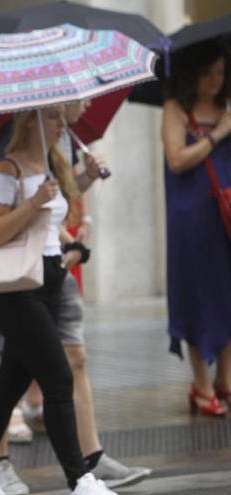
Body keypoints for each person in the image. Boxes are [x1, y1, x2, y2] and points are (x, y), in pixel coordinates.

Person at [0, 104, 150, 494]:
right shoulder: (6, 170)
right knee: (58, 378)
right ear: (30, 121)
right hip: (16, 291)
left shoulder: (46, 164)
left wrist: (84, 182)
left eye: (62, 116)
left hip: (48, 282)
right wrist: (32, 202)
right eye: (53, 117)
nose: (63, 124)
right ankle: (81, 480)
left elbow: (51, 219)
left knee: (9, 389)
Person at [161, 42, 231, 417]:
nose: (215, 81)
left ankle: (226, 379)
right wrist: (217, 135)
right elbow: (176, 160)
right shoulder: (177, 109)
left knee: (226, 292)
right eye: (208, 73)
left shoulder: (227, 108)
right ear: (193, 74)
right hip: (190, 218)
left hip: (225, 216)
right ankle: (201, 383)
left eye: (220, 73)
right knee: (196, 293)